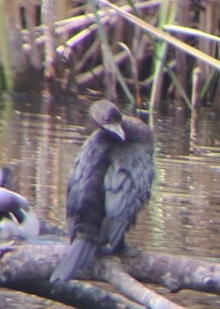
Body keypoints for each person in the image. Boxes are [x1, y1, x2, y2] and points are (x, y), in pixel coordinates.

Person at [52, 100, 155, 283]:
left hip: (92, 226)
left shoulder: (92, 146)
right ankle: (116, 246)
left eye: (116, 122)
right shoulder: (137, 149)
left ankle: (97, 245)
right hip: (94, 226)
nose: (117, 129)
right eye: (110, 124)